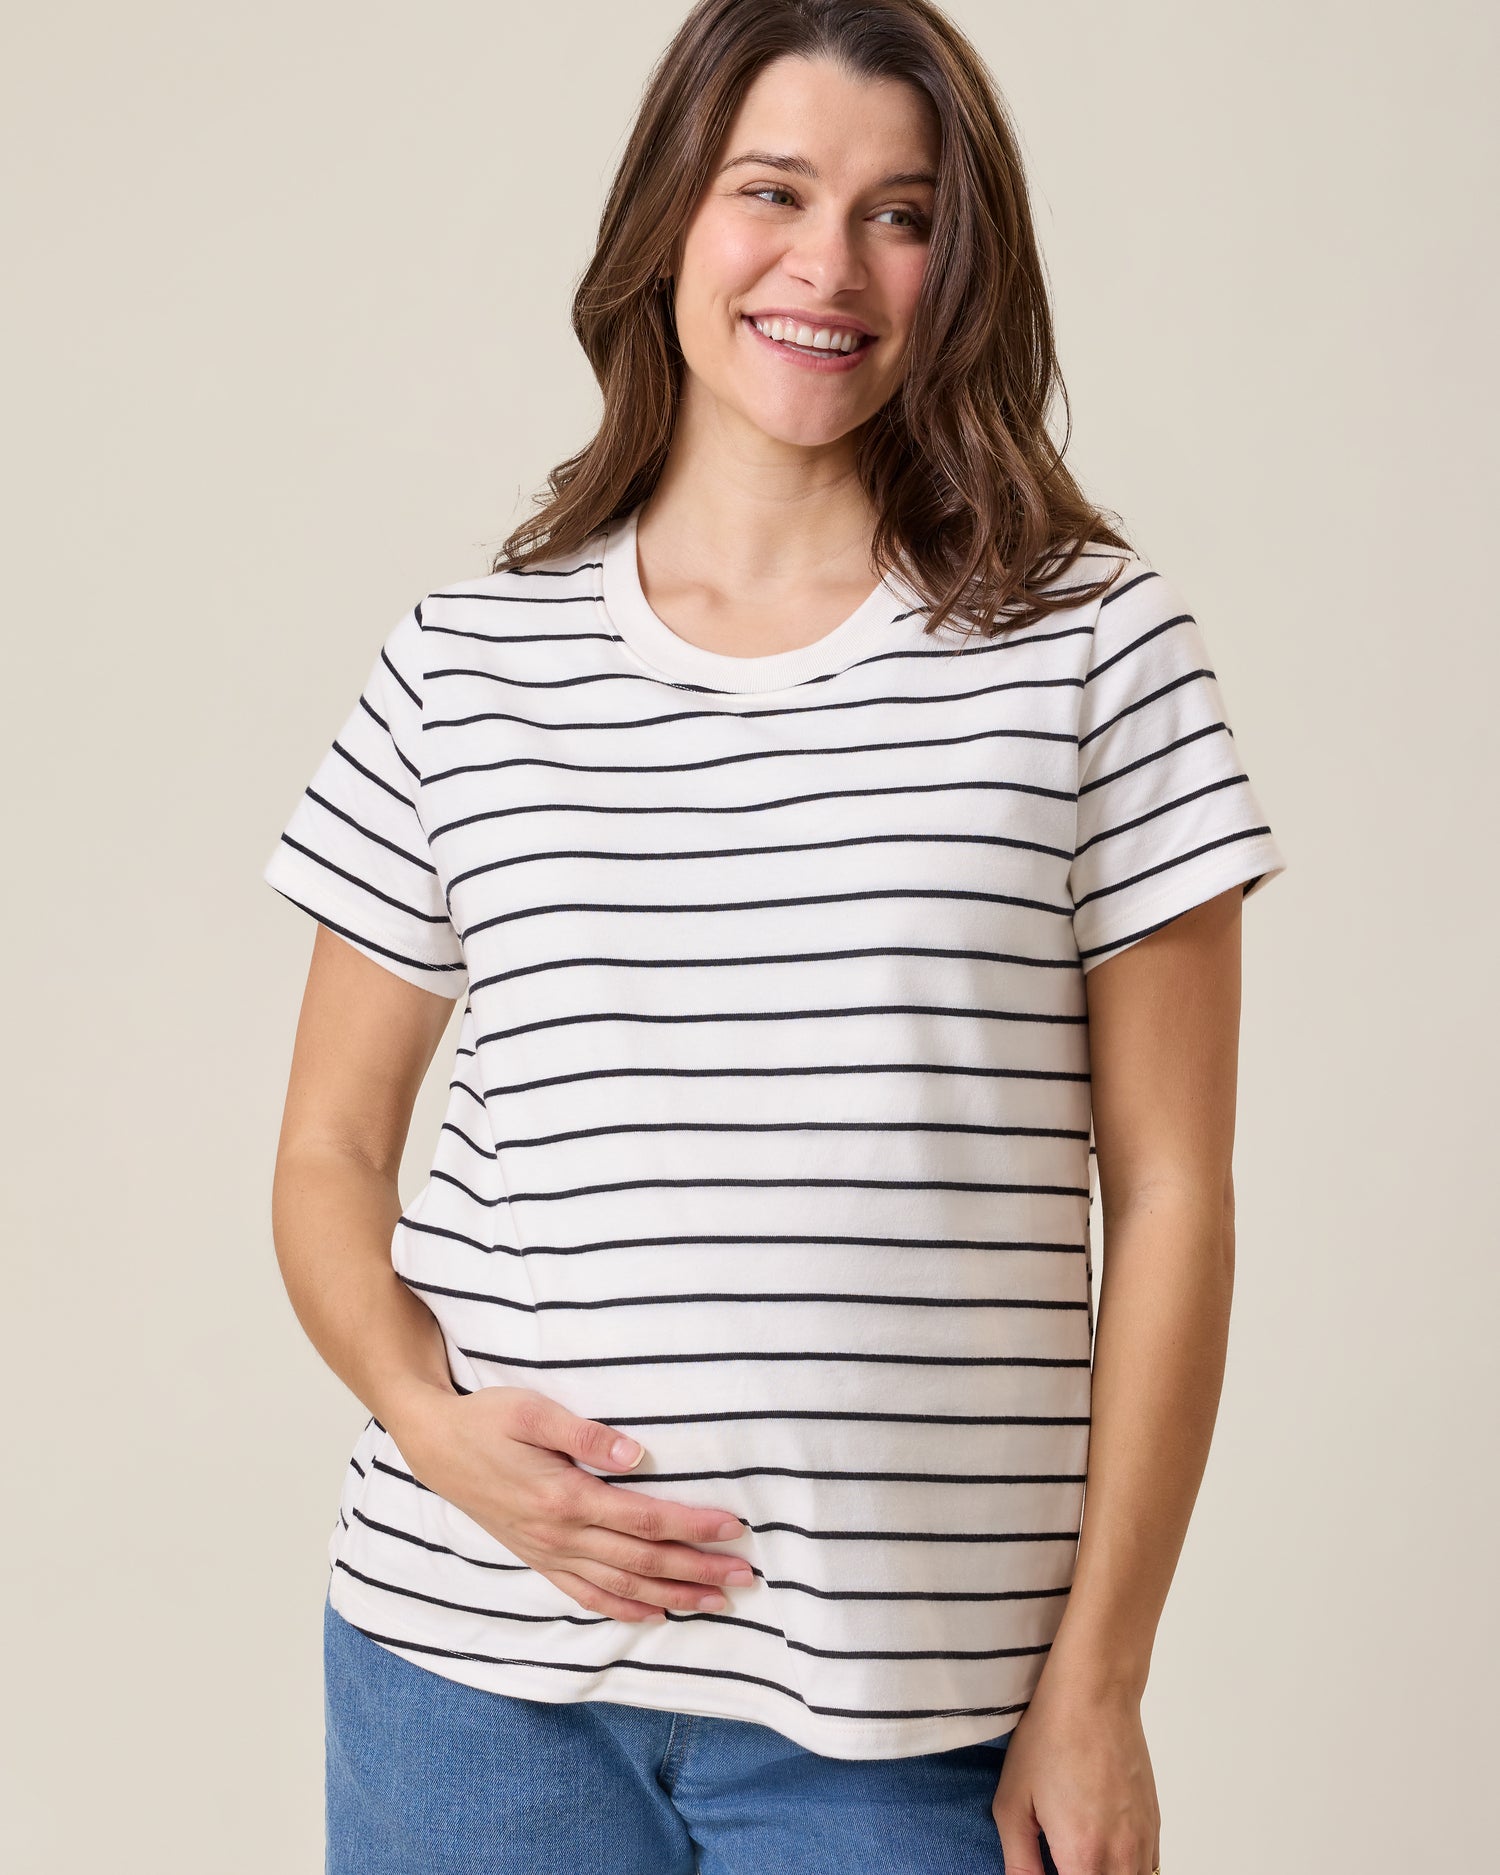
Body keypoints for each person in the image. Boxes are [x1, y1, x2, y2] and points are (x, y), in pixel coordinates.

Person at [263, 2, 1286, 1870]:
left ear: (959, 269)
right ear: (672, 222)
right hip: (465, 1677)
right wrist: (428, 1417)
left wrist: (1101, 1683)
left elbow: (1176, 1198)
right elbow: (329, 1149)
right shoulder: (466, 660)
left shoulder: (1092, 651)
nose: (829, 265)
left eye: (901, 214)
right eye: (774, 190)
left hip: (913, 1711)